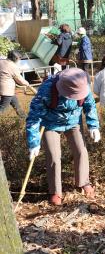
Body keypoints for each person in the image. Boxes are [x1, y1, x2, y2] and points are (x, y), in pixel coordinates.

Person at [25, 68, 101, 206]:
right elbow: (34, 117)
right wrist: (33, 142)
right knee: (53, 156)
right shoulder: (47, 89)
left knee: (81, 151)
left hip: (73, 122)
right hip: (50, 124)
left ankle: (83, 182)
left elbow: (90, 106)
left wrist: (93, 125)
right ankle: (55, 191)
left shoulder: (82, 83)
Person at [0, 50, 30, 117]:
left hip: (6, 89)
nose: (20, 60)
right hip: (6, 90)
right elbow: (20, 80)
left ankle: (23, 117)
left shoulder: (1, 61)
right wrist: (27, 83)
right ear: (16, 58)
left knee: (16, 104)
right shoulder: (12, 66)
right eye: (20, 59)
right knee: (2, 109)